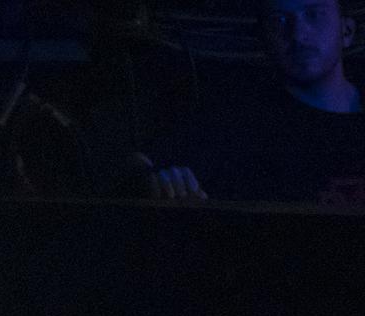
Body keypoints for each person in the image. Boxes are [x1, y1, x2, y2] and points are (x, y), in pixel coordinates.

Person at [142, 0, 365, 207]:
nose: (298, 34)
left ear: (346, 31)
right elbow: (141, 165)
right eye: (279, 20)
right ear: (263, 37)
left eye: (314, 15)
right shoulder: (235, 121)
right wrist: (161, 182)